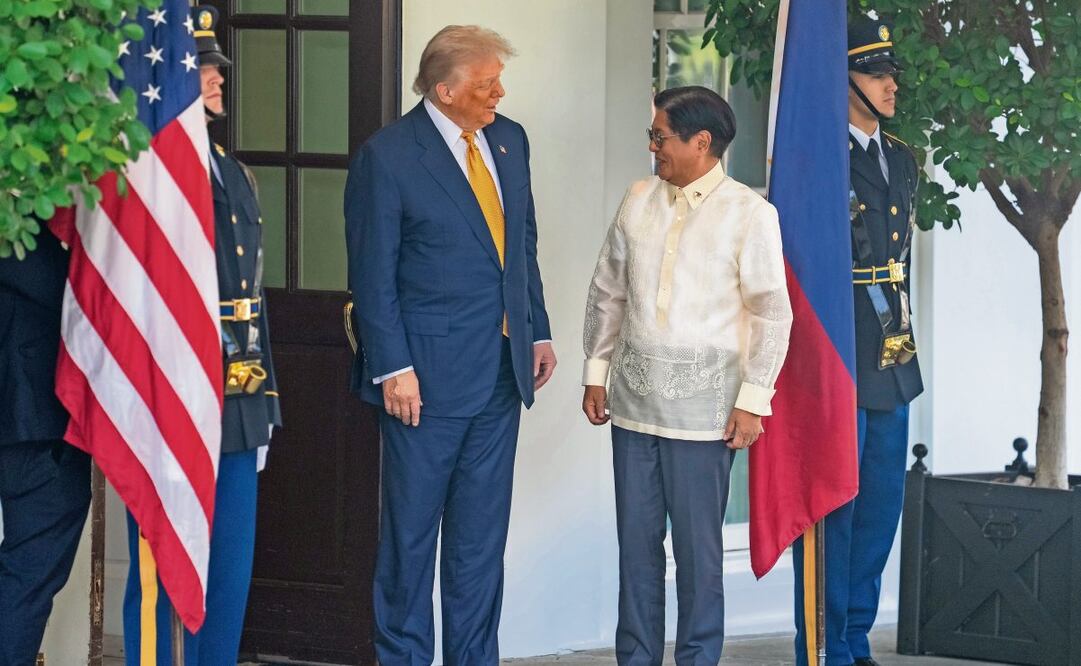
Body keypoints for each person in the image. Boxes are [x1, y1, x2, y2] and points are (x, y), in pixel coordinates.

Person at [344, 24, 556, 666]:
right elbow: (372, 275)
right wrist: (393, 368)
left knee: (479, 543)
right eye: (486, 84)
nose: (499, 93)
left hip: (501, 373)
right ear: (444, 89)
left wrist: (536, 328)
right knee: (411, 541)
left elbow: (521, 246)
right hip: (424, 383)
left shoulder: (510, 140)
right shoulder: (388, 156)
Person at [582, 85, 792, 666]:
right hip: (631, 406)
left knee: (699, 556)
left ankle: (699, 659)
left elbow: (773, 313)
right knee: (637, 549)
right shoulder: (637, 198)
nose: (652, 148)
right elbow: (607, 292)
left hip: (706, 416)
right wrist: (595, 371)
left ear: (702, 143)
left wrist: (754, 400)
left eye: (660, 137)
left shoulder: (751, 214)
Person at [122, 6, 282, 663]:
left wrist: (266, 403)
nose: (217, 79)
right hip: (172, 405)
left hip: (238, 404)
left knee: (227, 574)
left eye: (215, 68)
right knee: (164, 577)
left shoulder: (233, 175)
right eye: (205, 68)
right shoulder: (150, 179)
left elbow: (252, 299)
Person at [792, 16, 924, 666]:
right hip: (837, 343)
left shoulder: (899, 156)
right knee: (833, 501)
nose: (889, 83)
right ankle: (823, 642)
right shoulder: (816, 159)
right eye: (875, 72)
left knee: (880, 500)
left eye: (889, 71)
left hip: (892, 341)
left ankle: (855, 633)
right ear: (843, 80)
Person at [0, 230, 91, 666]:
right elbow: (45, 279)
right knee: (30, 566)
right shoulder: (19, 188)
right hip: (30, 406)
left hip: (28, 404)